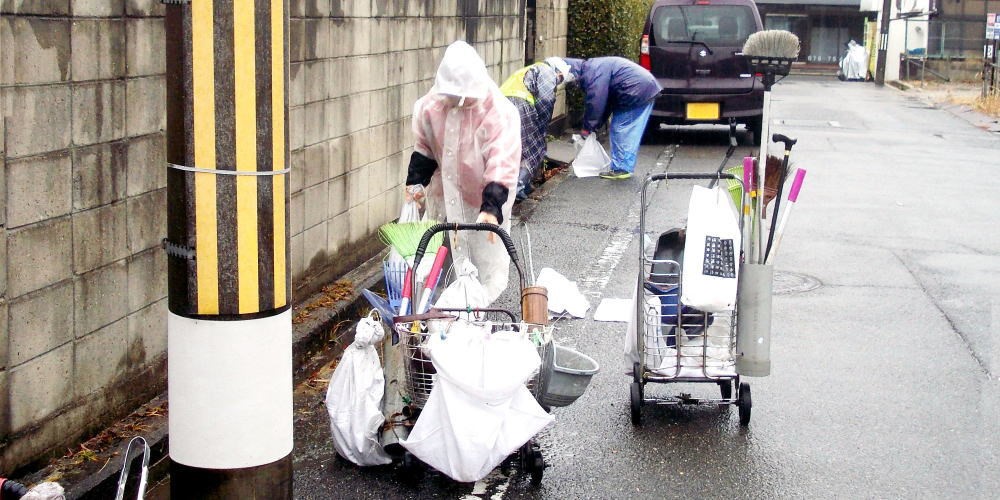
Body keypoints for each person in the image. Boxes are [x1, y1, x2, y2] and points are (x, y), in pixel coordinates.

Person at [404, 41, 521, 303]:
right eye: (452, 96)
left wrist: (491, 207)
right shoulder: (430, 107)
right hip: (443, 197)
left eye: (465, 98)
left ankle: (477, 314)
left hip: (481, 202)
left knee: (483, 267)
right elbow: (424, 149)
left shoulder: (499, 113)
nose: (459, 102)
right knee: (440, 262)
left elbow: (502, 161)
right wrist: (415, 184)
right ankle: (442, 314)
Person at [564, 57, 662, 180]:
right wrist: (594, 127)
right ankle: (622, 166)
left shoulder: (593, 73)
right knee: (622, 129)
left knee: (621, 129)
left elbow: (596, 103)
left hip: (636, 91)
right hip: (640, 88)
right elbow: (605, 103)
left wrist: (587, 129)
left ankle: (622, 168)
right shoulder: (592, 68)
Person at [500, 57, 575, 201]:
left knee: (509, 149)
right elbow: (545, 100)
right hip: (519, 105)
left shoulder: (529, 69)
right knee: (533, 149)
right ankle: (518, 187)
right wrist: (541, 130)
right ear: (559, 73)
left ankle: (513, 185)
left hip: (499, 106)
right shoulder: (547, 71)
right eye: (559, 80)